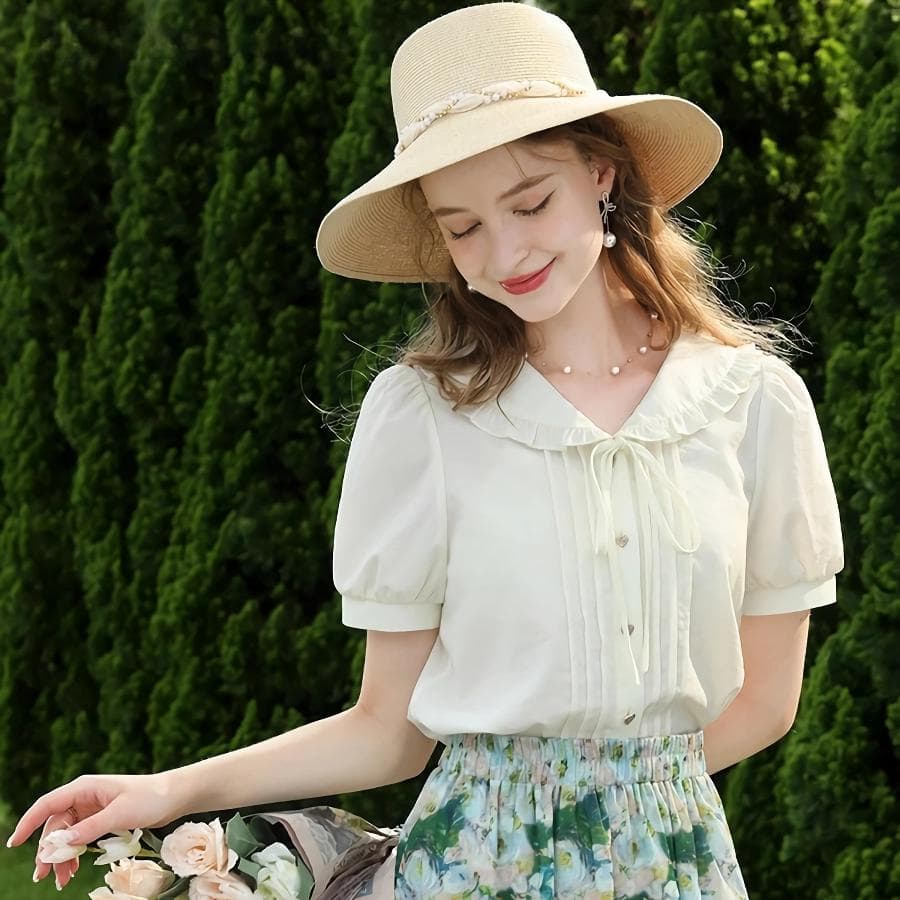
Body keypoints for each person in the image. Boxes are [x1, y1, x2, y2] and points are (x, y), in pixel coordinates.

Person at [5, 3, 845, 898]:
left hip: (678, 867)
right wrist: (166, 791)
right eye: (462, 225)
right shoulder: (423, 416)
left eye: (530, 202)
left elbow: (765, 702)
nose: (504, 251)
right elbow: (387, 732)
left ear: (602, 173)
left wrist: (615, 801)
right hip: (466, 865)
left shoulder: (753, 403)